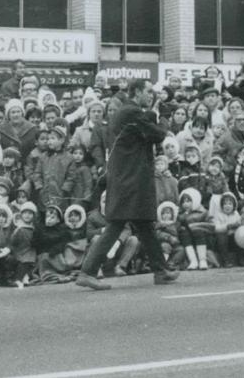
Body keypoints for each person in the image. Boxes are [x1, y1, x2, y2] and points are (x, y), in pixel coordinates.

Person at [75, 79, 178, 290]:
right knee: (116, 225)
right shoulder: (131, 112)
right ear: (137, 92)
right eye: (148, 91)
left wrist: (150, 115)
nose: (152, 95)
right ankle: (87, 272)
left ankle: (161, 270)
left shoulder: (127, 112)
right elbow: (157, 134)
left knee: (145, 226)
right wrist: (157, 116)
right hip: (130, 180)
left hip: (129, 178)